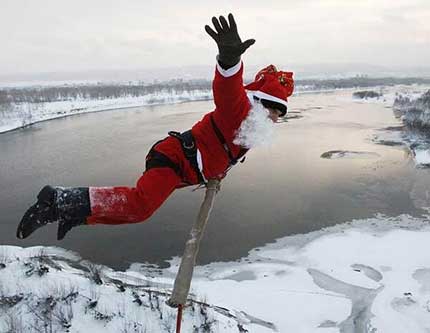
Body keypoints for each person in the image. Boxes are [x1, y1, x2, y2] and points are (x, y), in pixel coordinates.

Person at [16, 14, 294, 241]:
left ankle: (76, 215)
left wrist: (216, 174)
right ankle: (56, 200)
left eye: (278, 113)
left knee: (139, 210)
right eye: (271, 109)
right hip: (173, 158)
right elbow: (227, 89)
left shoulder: (249, 130)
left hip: (183, 170)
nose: (274, 118)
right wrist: (230, 62)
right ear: (257, 103)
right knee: (140, 206)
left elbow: (222, 151)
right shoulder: (240, 113)